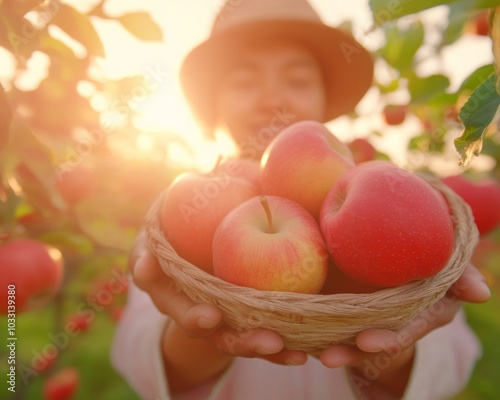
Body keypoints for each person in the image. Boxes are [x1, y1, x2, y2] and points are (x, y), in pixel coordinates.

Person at [110, 1, 491, 399]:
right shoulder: (182, 212)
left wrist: (387, 345)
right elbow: (141, 362)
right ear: (211, 108)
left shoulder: (386, 197)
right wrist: (205, 332)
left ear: (325, 104)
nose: (273, 99)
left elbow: (448, 368)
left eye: (297, 80)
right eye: (244, 82)